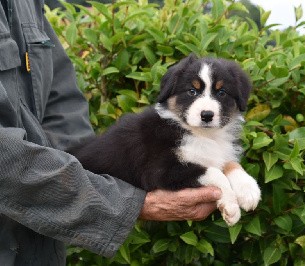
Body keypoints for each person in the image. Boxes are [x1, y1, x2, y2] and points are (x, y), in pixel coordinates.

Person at [0, 1, 221, 265]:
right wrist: (120, 201)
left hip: (37, 249)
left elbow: (62, 101)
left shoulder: (26, 4)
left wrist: (95, 174)